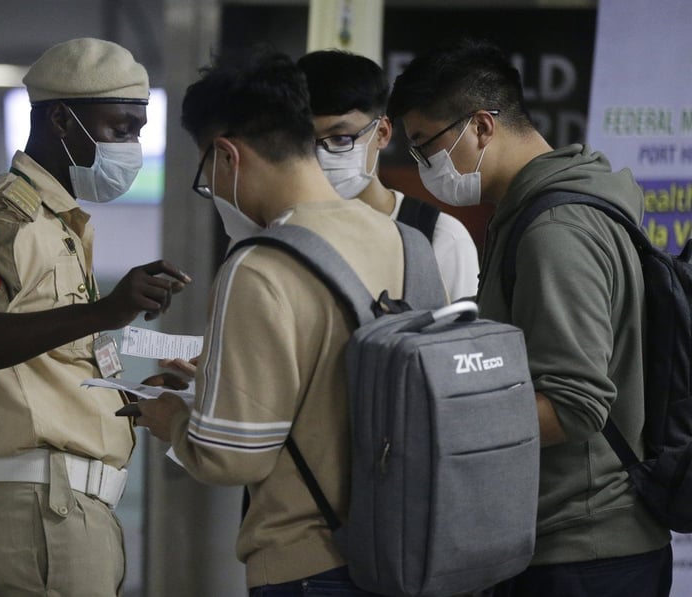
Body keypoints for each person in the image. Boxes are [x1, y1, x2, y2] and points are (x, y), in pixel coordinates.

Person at [386, 37, 672, 596]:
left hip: (584, 549)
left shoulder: (554, 230)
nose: (422, 167)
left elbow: (576, 402)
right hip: (574, 543)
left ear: (482, 127)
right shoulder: (539, 211)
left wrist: (438, 420)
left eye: (425, 145)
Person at [0, 37, 190, 597]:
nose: (131, 149)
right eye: (119, 129)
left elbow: (47, 373)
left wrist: (134, 399)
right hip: (42, 512)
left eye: (137, 133)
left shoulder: (59, 225)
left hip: (68, 510)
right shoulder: (6, 220)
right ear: (64, 121)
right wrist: (104, 311)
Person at [132, 51, 408, 595]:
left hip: (309, 564)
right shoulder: (404, 241)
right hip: (404, 548)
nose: (210, 184)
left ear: (228, 155)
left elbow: (232, 456)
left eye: (205, 168)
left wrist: (171, 420)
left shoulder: (257, 265)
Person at [298, 49, 480, 301]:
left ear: (382, 133)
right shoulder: (283, 229)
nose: (321, 155)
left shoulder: (438, 238)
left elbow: (465, 339)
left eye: (341, 138)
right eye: (305, 141)